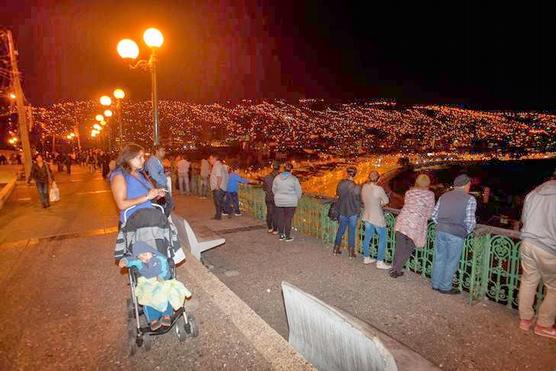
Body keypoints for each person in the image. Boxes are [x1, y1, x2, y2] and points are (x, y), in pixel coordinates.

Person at [118, 241, 190, 331]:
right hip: (147, 283)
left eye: (145, 254)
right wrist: (125, 261)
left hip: (161, 280)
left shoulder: (160, 259)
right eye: (140, 257)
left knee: (166, 294)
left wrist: (162, 277)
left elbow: (165, 270)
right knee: (147, 298)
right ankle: (153, 320)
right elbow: (132, 260)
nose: (144, 258)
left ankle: (166, 315)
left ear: (151, 251)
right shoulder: (139, 262)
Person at [518, 171, 556, 339]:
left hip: (527, 243)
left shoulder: (533, 193)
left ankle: (525, 320)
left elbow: (524, 218)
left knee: (528, 281)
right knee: (554, 288)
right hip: (549, 247)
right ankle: (544, 324)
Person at [431, 174, 476, 294]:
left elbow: (434, 215)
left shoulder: (444, 196)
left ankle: (435, 284)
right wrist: (464, 231)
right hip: (456, 233)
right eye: (469, 185)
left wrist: (441, 225)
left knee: (439, 258)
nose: (469, 187)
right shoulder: (470, 199)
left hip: (440, 231)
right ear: (465, 185)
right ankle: (445, 287)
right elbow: (470, 222)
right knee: (451, 261)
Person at [390, 174, 435, 278]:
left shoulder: (409, 192)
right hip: (415, 224)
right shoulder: (429, 195)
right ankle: (396, 270)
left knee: (400, 247)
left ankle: (394, 268)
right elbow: (430, 212)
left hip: (402, 220)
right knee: (409, 247)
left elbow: (407, 204)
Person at [110, 143, 166, 225]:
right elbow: (121, 204)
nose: (143, 160)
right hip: (134, 221)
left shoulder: (140, 173)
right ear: (129, 158)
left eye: (143, 157)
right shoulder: (119, 176)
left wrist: (156, 194)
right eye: (140, 157)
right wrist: (147, 197)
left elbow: (145, 193)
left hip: (148, 216)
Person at [360, 170, 390, 268]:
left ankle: (366, 257)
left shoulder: (364, 187)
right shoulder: (379, 189)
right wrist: (379, 203)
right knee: (383, 237)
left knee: (367, 237)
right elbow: (386, 201)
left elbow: (363, 200)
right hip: (377, 217)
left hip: (367, 215)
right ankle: (380, 261)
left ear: (369, 178)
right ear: (378, 178)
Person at [333, 167, 361, 257]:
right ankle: (351, 252)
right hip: (353, 212)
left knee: (340, 230)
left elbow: (337, 195)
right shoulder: (357, 187)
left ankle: (336, 249)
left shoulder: (340, 184)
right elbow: (359, 200)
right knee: (351, 232)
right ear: (355, 174)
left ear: (347, 173)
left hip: (342, 210)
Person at [272, 162, 302, 242]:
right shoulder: (294, 179)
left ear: (284, 169)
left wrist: (278, 196)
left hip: (279, 201)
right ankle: (287, 236)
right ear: (291, 170)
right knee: (288, 219)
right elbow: (299, 191)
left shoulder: (277, 178)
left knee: (280, 218)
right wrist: (297, 198)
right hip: (291, 202)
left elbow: (273, 189)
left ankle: (281, 235)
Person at [145, 146, 174, 217]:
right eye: (162, 150)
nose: (164, 152)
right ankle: (163, 219)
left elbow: (157, 173)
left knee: (162, 204)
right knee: (169, 203)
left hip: (160, 184)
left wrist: (164, 174)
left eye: (164, 150)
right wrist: (163, 183)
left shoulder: (157, 160)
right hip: (159, 185)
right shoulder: (152, 161)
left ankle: (162, 219)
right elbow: (154, 175)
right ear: (157, 151)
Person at [208, 154, 228, 220]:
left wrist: (217, 186)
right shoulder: (216, 165)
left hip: (219, 188)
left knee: (218, 202)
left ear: (215, 158)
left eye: (210, 159)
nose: (209, 160)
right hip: (218, 187)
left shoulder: (218, 166)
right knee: (218, 202)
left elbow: (219, 177)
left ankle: (218, 216)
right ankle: (219, 215)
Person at [263, 161, 281, 233]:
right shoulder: (281, 178)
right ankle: (275, 229)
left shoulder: (267, 177)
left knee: (269, 212)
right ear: (279, 168)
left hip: (269, 197)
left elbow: (264, 188)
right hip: (277, 198)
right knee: (276, 213)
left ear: (272, 168)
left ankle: (270, 227)